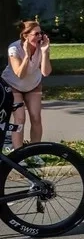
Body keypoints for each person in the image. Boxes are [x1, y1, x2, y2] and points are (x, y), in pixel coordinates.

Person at [3, 20, 52, 151]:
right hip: (13, 85)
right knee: (20, 118)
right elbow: (19, 74)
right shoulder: (14, 48)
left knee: (36, 117)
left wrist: (45, 52)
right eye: (36, 34)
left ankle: (34, 151)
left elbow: (45, 72)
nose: (40, 37)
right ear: (26, 36)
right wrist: (26, 56)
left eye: (41, 33)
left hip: (33, 85)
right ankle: (18, 152)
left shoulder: (41, 47)